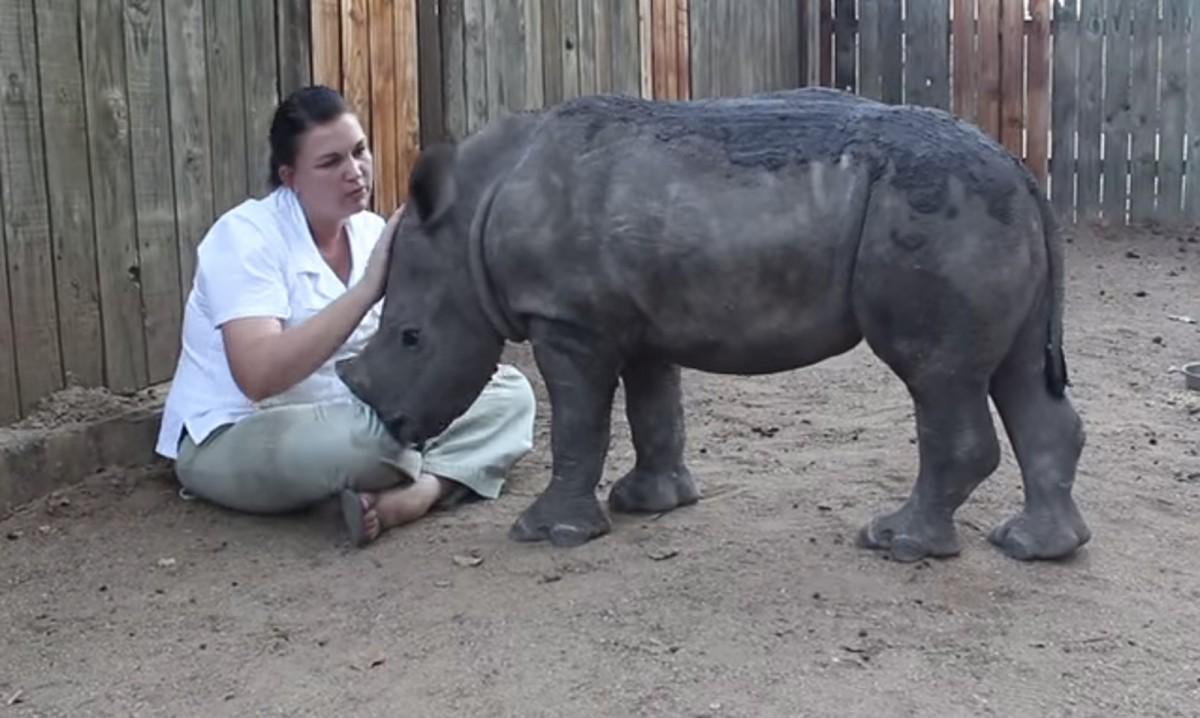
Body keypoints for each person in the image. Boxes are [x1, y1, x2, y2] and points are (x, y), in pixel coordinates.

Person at [154, 85, 536, 547]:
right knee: (376, 442)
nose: (355, 172)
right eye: (330, 162)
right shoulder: (244, 237)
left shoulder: (370, 230)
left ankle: (418, 494)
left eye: (359, 152)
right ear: (289, 176)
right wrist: (367, 288)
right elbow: (257, 376)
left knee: (509, 393)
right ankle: (424, 467)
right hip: (232, 434)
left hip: (348, 413)